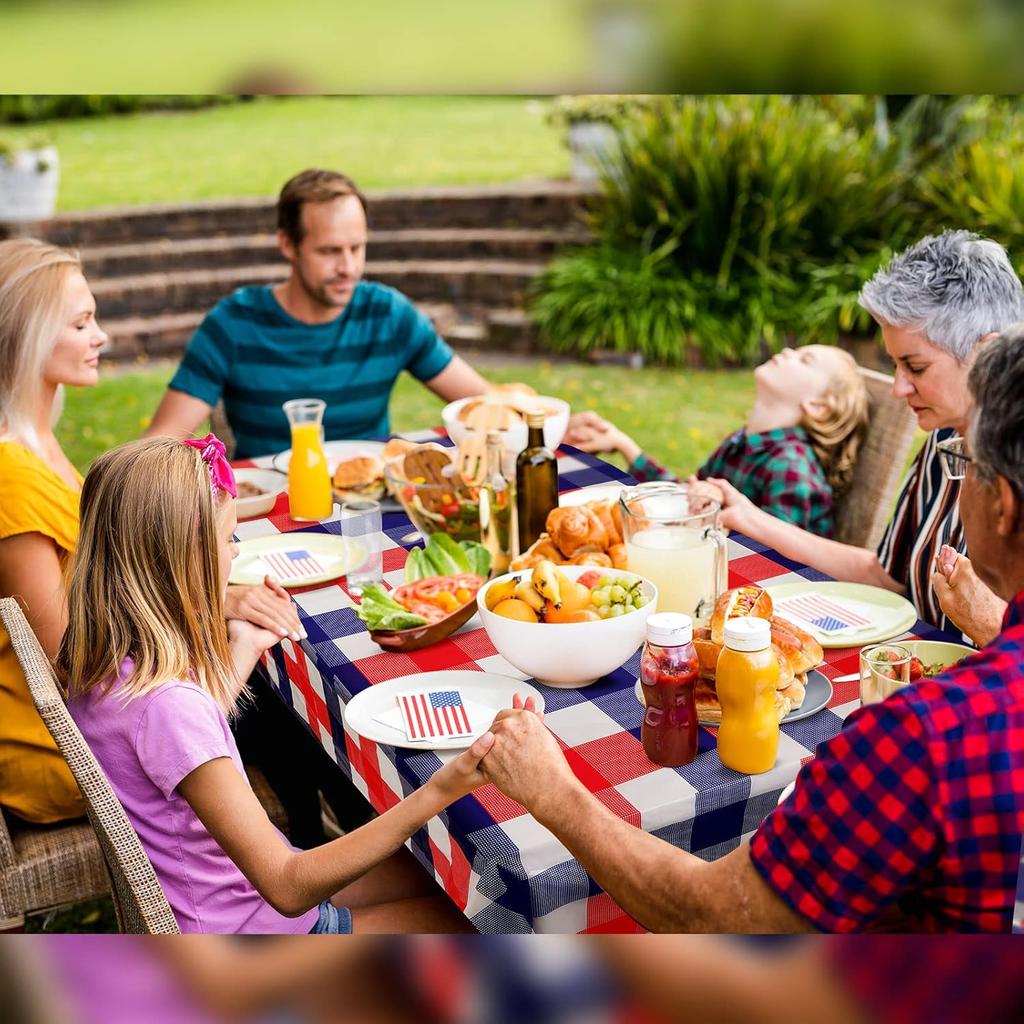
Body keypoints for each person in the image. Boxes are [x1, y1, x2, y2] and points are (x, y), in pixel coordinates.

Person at [477, 323, 1024, 933]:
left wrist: (553, 794)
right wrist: (999, 624)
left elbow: (714, 914)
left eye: (962, 461)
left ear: (1001, 502)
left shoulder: (923, 734)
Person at [62, 435, 494, 933]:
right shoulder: (167, 705)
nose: (233, 553)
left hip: (227, 896)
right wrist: (443, 787)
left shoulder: (104, 662)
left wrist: (244, 644)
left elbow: (178, 745)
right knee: (477, 917)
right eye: (227, 540)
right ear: (184, 559)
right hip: (255, 926)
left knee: (450, 879)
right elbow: (288, 887)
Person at [0, 239, 304, 827]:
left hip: (106, 710)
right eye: (81, 322)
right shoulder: (11, 478)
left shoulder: (36, 444)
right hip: (71, 751)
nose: (101, 337)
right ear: (26, 335)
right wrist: (211, 603)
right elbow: (75, 659)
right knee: (280, 708)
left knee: (271, 675)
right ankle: (304, 872)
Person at [705, 230, 1024, 637]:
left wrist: (990, 626)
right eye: (896, 366)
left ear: (985, 354)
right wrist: (752, 518)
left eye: (916, 367)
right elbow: (884, 576)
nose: (898, 389)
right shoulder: (942, 440)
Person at [145, 168, 490, 459]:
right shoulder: (234, 324)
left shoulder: (388, 314)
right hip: (267, 514)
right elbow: (159, 445)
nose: (348, 267)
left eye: (357, 247)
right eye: (329, 251)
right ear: (287, 244)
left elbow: (483, 404)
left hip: (371, 504)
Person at [565, 344, 869, 538]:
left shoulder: (792, 468)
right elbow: (685, 495)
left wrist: (716, 507)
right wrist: (624, 444)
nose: (788, 350)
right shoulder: (743, 442)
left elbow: (779, 555)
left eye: (805, 359)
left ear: (817, 405)